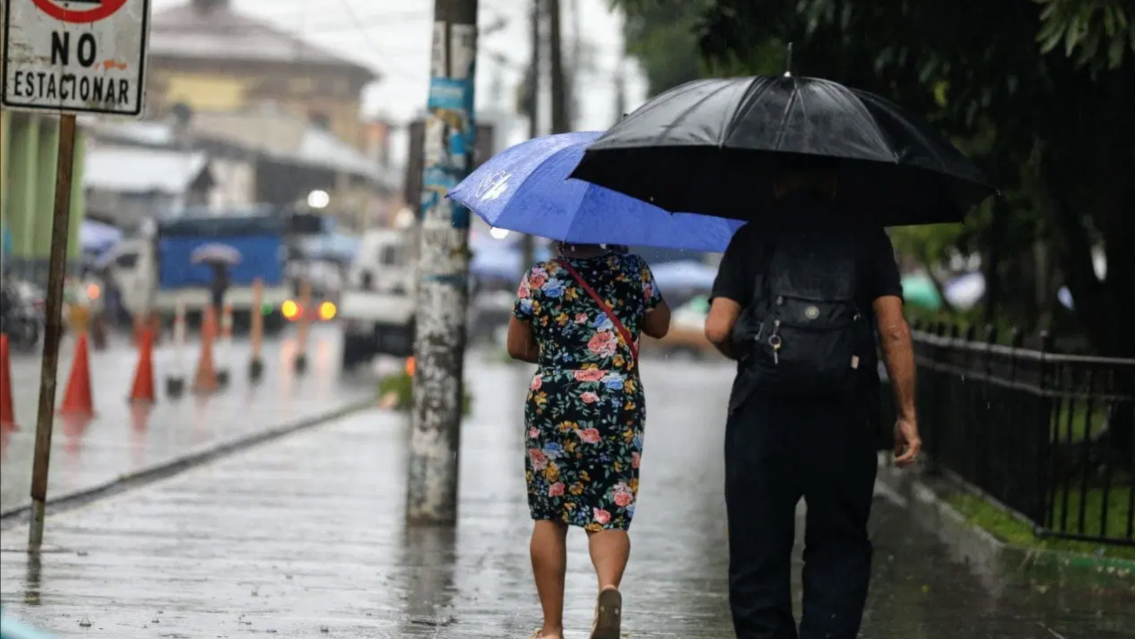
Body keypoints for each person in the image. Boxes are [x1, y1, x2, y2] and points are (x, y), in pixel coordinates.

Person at [703, 156, 921, 639]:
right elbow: (893, 331)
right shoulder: (867, 237)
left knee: (757, 554)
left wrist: (756, 352)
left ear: (776, 182)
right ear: (836, 181)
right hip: (844, 419)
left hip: (762, 417)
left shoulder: (752, 236)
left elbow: (717, 327)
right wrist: (906, 414)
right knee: (840, 546)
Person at [507, 241, 672, 639]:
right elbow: (661, 326)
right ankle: (608, 590)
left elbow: (516, 346)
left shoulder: (540, 277)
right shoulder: (633, 271)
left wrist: (565, 358)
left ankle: (551, 629)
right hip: (616, 401)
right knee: (609, 507)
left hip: (554, 403)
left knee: (550, 513)